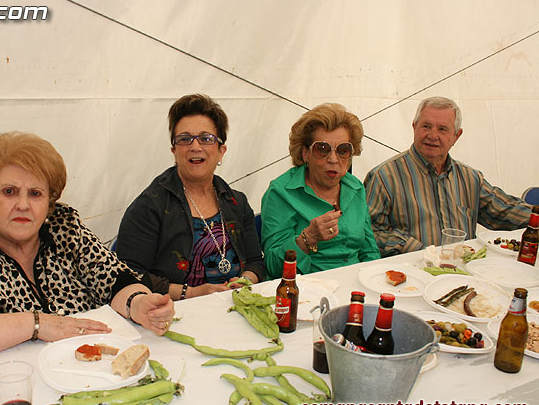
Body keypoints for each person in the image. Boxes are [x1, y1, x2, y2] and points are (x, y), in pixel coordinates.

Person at [0, 132, 174, 360]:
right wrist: (37, 323)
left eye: (35, 194)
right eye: (9, 192)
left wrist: (138, 303)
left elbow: (113, 276)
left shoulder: (64, 227)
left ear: (49, 202)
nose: (23, 205)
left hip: (89, 370)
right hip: (13, 388)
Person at [116, 94, 265, 300]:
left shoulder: (237, 203)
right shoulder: (150, 206)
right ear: (174, 151)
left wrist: (244, 282)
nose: (195, 146)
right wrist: (193, 293)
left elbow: (256, 261)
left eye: (206, 138)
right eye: (185, 139)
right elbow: (127, 274)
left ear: (221, 151)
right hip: (172, 314)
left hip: (235, 306)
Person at [364, 96, 532, 256]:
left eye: (442, 129)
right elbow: (367, 233)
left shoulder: (470, 178)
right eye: (426, 126)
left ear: (456, 136)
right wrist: (415, 249)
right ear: (414, 127)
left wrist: (536, 217)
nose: (432, 135)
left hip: (463, 273)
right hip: (410, 276)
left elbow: (505, 211)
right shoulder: (384, 177)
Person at [260, 103, 380, 279]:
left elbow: (369, 250)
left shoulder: (355, 187)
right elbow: (273, 267)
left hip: (356, 287)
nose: (333, 159)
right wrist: (306, 239)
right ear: (305, 153)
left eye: (343, 150)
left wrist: (373, 281)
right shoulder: (281, 193)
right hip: (308, 291)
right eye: (322, 149)